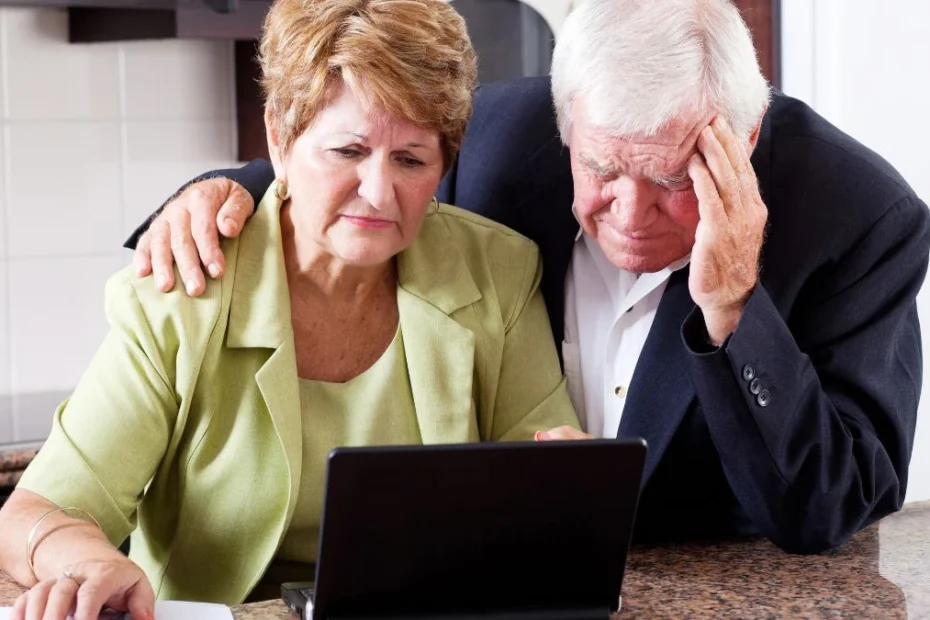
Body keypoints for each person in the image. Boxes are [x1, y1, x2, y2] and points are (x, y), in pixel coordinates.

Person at [130, 0, 930, 556]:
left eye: (676, 180)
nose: (631, 213)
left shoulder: (861, 219)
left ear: (745, 139)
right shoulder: (499, 142)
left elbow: (829, 508)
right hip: (490, 574)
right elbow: (351, 171)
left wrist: (733, 306)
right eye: (604, 168)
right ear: (566, 121)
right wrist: (224, 189)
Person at [0, 0, 581, 617]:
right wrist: (89, 561)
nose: (379, 192)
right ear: (280, 138)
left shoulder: (498, 270)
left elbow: (545, 483)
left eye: (410, 159)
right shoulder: (187, 291)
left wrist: (564, 490)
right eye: (348, 151)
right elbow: (34, 513)